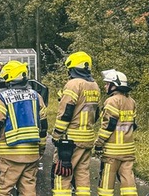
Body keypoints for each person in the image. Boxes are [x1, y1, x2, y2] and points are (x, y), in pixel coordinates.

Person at [0, 60, 47, 196]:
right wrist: (41, 149)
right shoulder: (36, 97)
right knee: (29, 190)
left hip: (9, 155)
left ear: (9, 78)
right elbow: (44, 127)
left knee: (3, 189)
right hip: (32, 154)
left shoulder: (4, 98)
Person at [51, 51, 100, 196]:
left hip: (70, 140)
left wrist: (57, 134)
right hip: (87, 137)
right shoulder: (94, 85)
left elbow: (66, 112)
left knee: (62, 176)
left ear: (72, 68)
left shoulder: (73, 84)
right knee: (82, 175)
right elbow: (96, 113)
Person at [95, 69, 137, 196]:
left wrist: (99, 143)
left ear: (114, 85)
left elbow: (109, 125)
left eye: (107, 84)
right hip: (128, 149)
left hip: (112, 151)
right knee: (128, 180)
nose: (105, 86)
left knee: (107, 180)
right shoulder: (131, 101)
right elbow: (133, 125)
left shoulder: (112, 101)